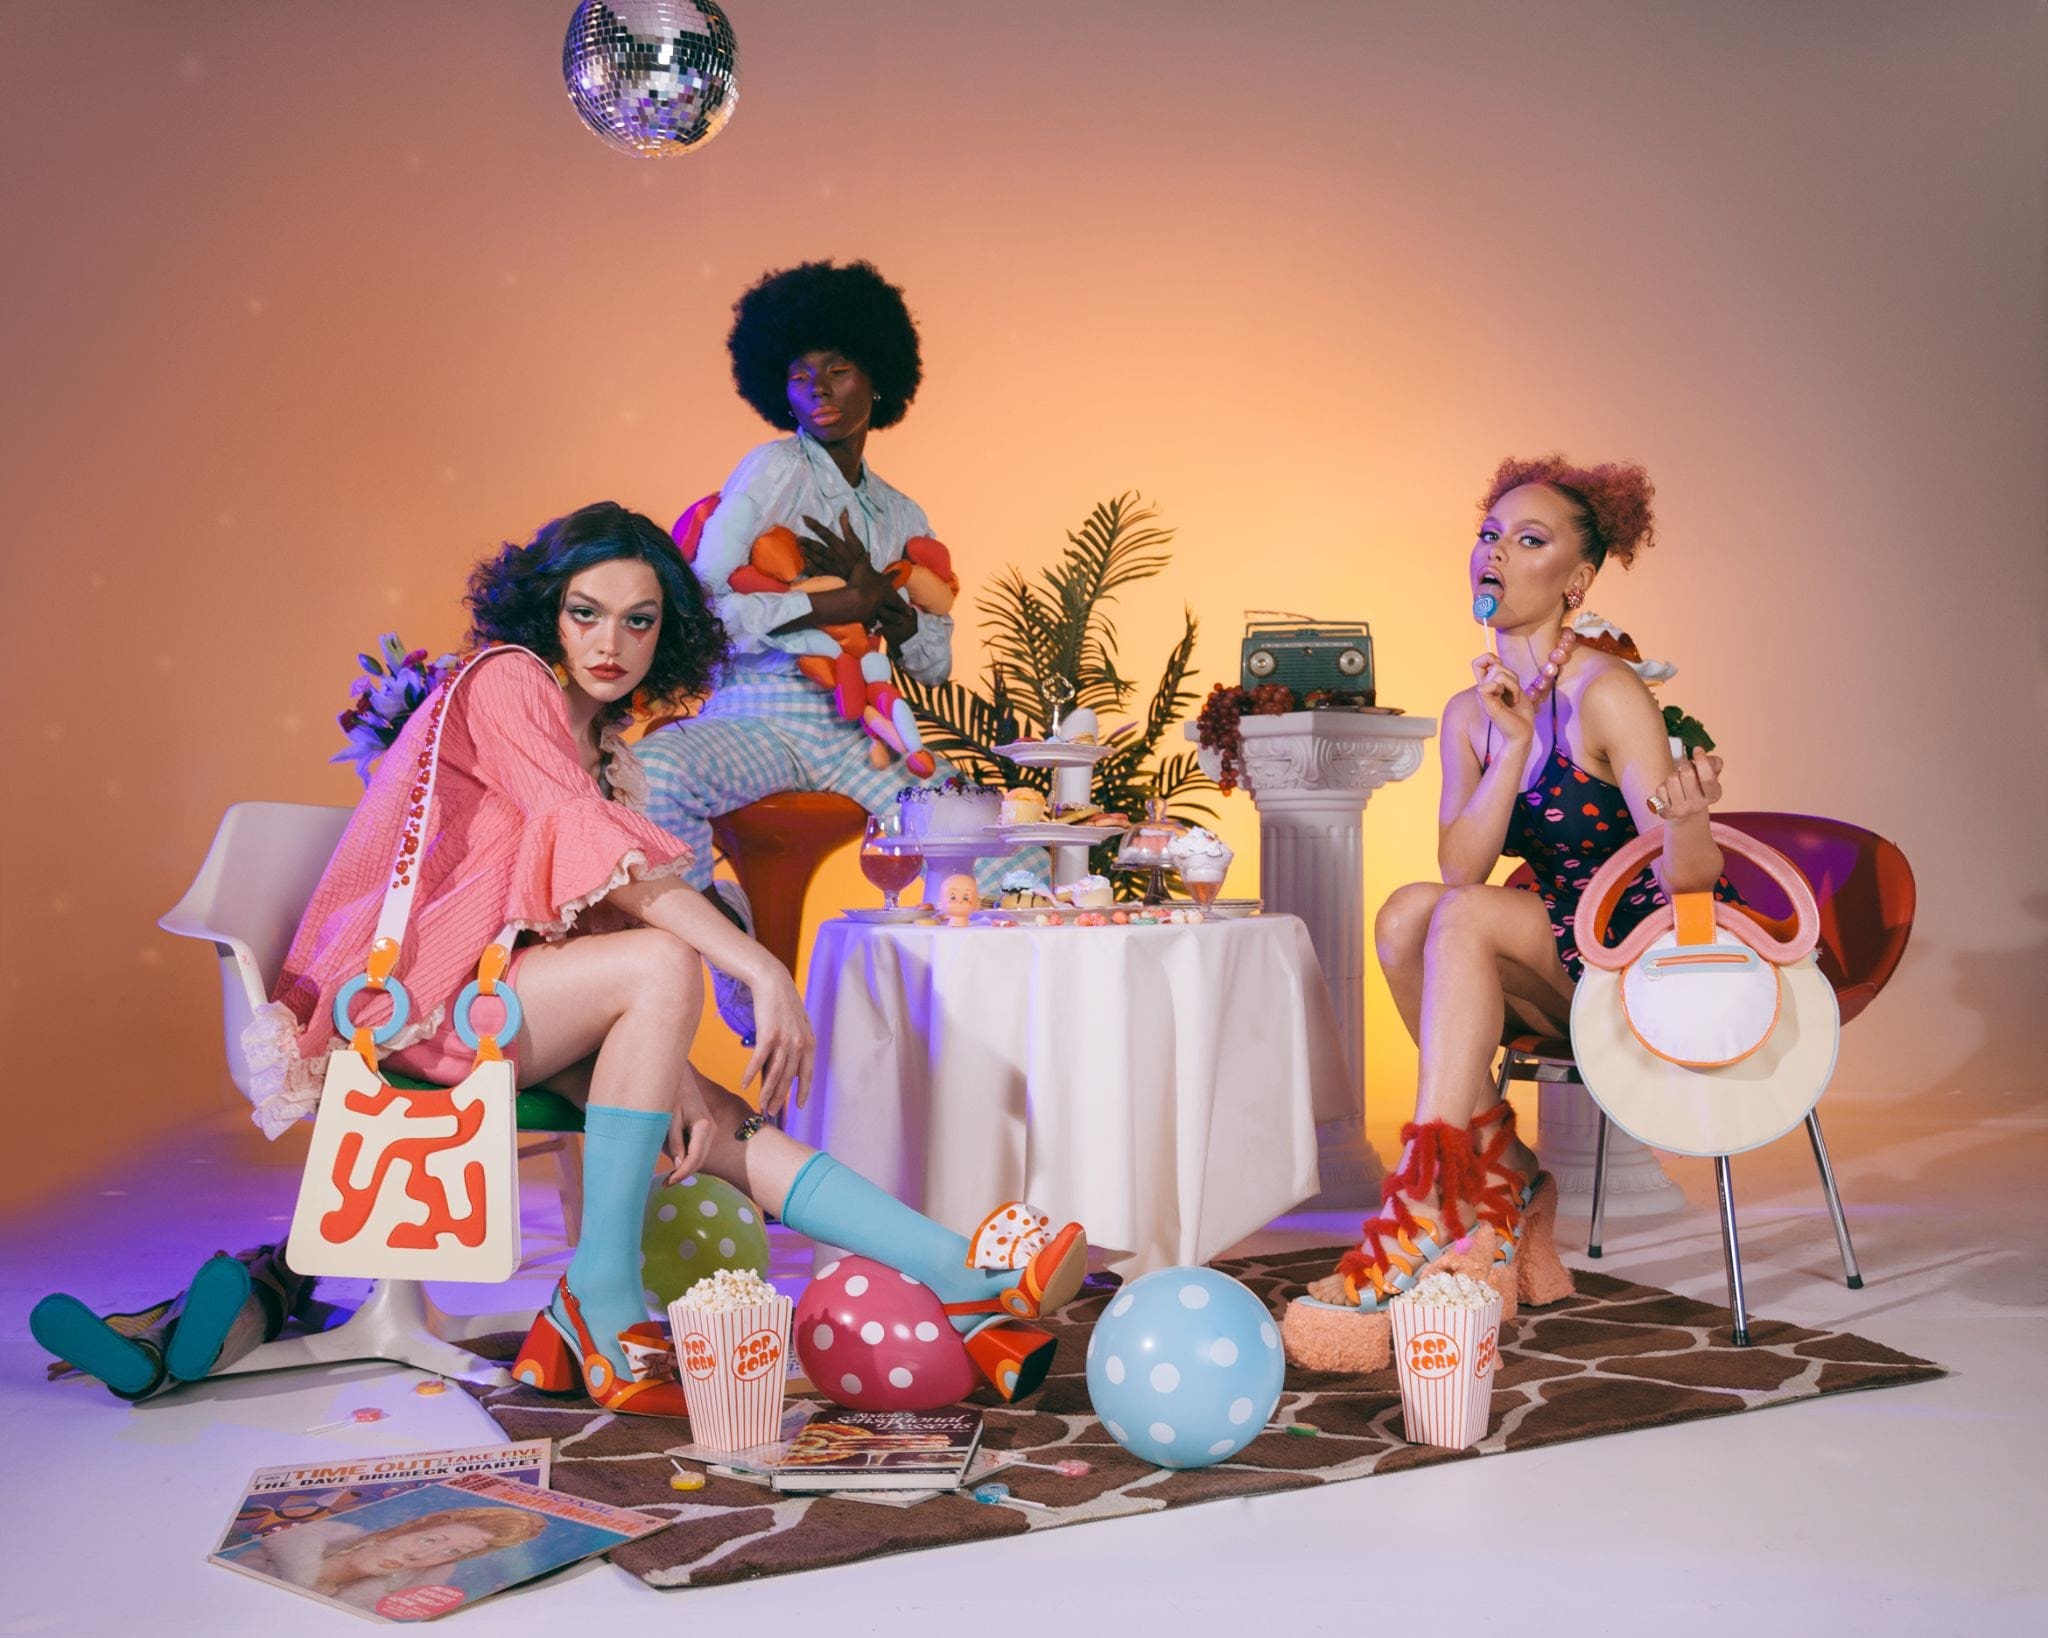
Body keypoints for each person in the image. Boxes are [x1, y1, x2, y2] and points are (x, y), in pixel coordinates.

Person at [252, 501, 1087, 1414]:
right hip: (417, 1006)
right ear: (545, 612)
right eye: (586, 612)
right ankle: (598, 1295)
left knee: (723, 1124)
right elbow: (619, 877)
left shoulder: (605, 746)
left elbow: (590, 913)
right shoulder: (504, 683)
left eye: (639, 620)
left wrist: (667, 1062)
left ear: (667, 633)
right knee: (660, 965)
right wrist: (760, 968)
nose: (611, 642)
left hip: (513, 998)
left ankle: (955, 1272)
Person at [1283, 456, 1738, 1370]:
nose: (1494, 554)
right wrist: (1512, 746)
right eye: (1489, 535)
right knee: (1409, 914)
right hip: (1558, 946)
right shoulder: (1474, 712)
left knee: (1456, 920)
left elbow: (1687, 885)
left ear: (1576, 581)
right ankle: (1506, 1183)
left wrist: (1691, 821)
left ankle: (1428, 1205)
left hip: (1645, 954)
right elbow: (1460, 867)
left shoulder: (1609, 693)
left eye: (1528, 541)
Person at [636, 260, 1036, 1033]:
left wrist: (892, 615)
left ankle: (985, 1035)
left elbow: (934, 664)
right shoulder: (773, 468)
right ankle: (728, 941)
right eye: (797, 374)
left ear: (878, 378)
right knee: (654, 773)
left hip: (862, 734)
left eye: (838, 368)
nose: (816, 389)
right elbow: (704, 606)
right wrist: (832, 602)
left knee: (996, 840)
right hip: (760, 716)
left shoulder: (902, 511)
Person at [231, 1505, 544, 1612]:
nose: (420, 1554)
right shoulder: (324, 1535)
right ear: (403, 1530)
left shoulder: (383, 1601)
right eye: (429, 1539)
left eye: (451, 1552)